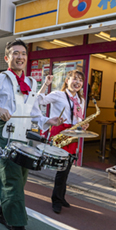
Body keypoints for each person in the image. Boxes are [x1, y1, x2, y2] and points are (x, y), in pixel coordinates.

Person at [0, 40, 64, 230]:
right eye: (15, 53)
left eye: (23, 53)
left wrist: (46, 121)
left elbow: (33, 112)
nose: (20, 57)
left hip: (24, 136)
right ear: (7, 58)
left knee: (20, 178)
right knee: (13, 179)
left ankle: (3, 213)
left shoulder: (32, 83)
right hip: (5, 134)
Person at [37, 70, 88, 214]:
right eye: (74, 79)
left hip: (73, 133)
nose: (77, 82)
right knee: (61, 168)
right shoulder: (57, 95)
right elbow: (39, 100)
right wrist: (45, 84)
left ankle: (61, 196)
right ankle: (56, 200)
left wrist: (83, 124)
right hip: (60, 133)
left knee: (67, 167)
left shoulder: (81, 100)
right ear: (67, 80)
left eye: (80, 80)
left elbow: (78, 118)